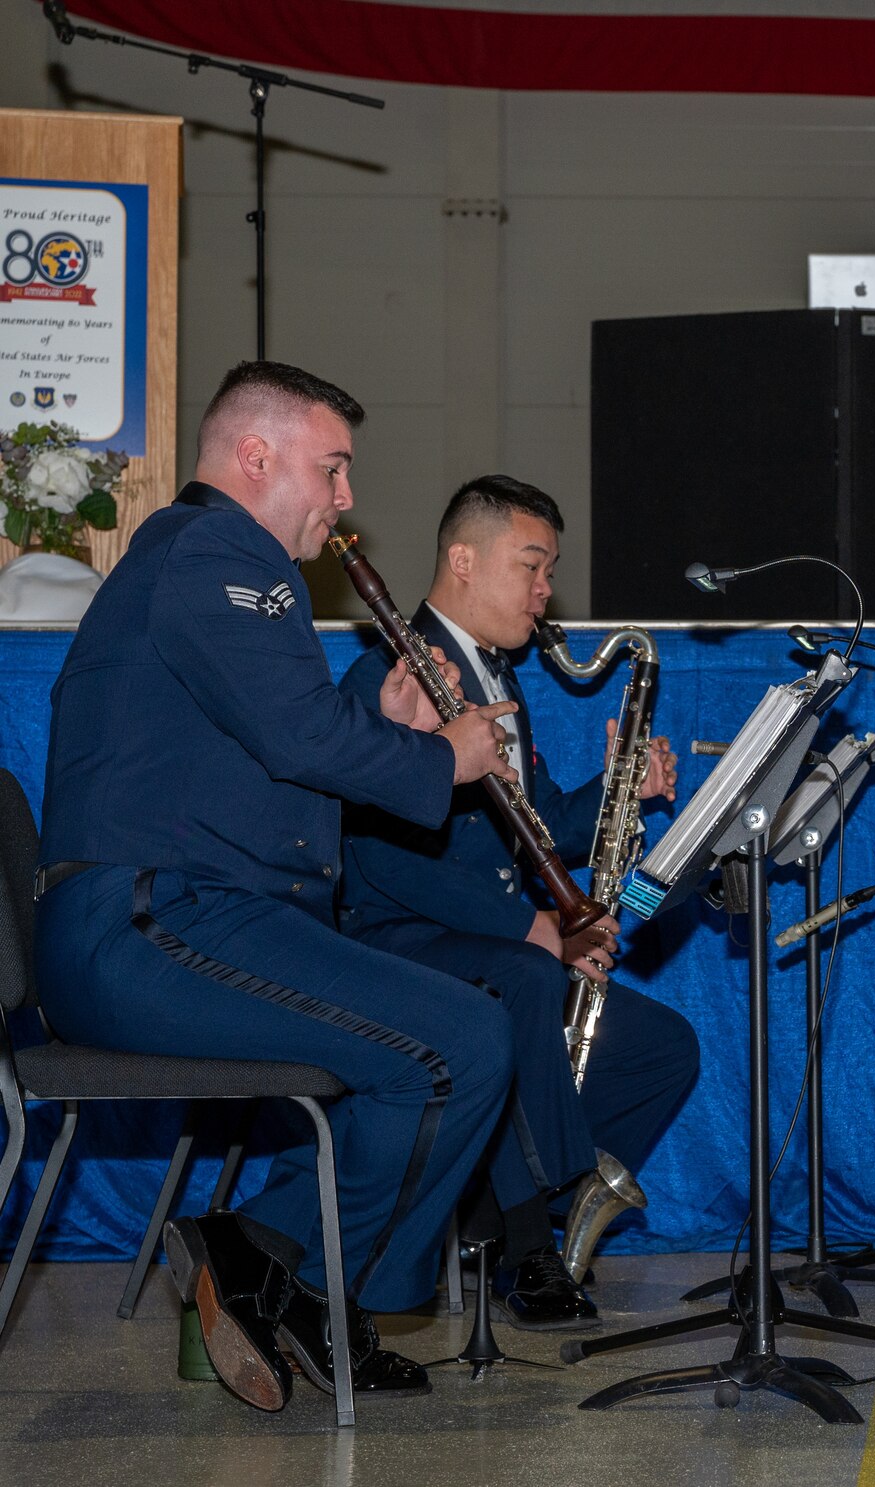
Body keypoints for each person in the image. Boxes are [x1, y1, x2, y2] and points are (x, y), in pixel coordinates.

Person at [33, 361, 523, 1412]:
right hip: (147, 921)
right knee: (461, 1044)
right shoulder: (222, 554)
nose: (346, 499)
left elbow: (263, 763)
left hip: (163, 915)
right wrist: (442, 757)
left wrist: (384, 737)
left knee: (458, 1033)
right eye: (332, 467)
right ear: (255, 457)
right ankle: (288, 1269)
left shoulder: (196, 564)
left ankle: (266, 1255)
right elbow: (299, 732)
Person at [336, 474, 698, 1328]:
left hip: (490, 947)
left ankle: (491, 1214)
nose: (545, 591)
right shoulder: (384, 675)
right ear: (463, 559)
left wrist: (618, 789)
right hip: (398, 940)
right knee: (525, 985)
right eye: (531, 566)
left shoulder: (497, 677)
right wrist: (530, 926)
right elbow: (380, 857)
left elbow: (534, 823)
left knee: (661, 1048)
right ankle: (532, 1245)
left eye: (550, 571)